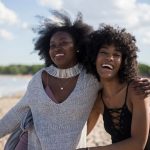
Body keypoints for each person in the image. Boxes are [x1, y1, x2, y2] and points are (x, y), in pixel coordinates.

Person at [0, 11, 150, 150]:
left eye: (64, 43)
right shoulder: (39, 79)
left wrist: (143, 82)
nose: (57, 48)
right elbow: (15, 114)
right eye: (52, 45)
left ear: (77, 47)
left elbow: (116, 78)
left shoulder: (92, 80)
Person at [77, 24, 150, 150]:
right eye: (104, 52)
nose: (109, 58)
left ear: (123, 62)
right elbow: (81, 134)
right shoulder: (98, 100)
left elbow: (138, 144)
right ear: (94, 58)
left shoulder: (137, 89)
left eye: (116, 55)